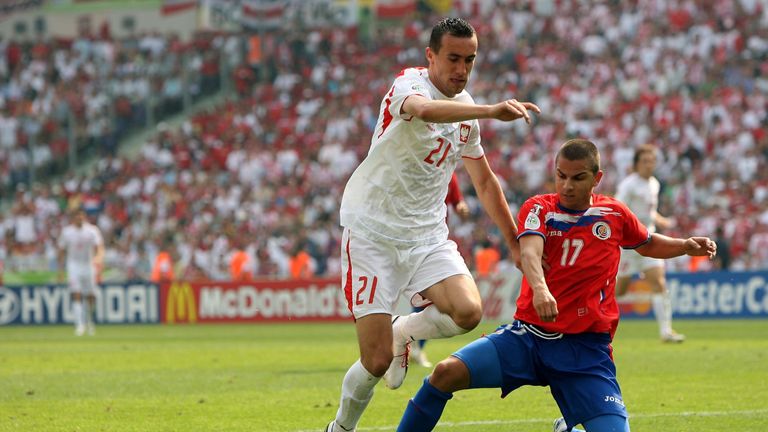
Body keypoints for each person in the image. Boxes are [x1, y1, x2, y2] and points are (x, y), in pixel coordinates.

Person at [395, 139, 717, 432]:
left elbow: (646, 242)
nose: (566, 185)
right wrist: (540, 288)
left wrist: (684, 245)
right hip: (528, 339)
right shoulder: (540, 208)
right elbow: (531, 252)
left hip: (586, 352)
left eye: (577, 178)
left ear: (596, 178)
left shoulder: (613, 214)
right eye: (561, 176)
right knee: (444, 374)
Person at [326, 17, 540, 432]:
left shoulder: (467, 115)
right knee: (375, 360)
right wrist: (491, 110)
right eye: (453, 58)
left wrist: (514, 243)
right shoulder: (408, 86)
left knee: (468, 311)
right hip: (373, 232)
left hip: (426, 235)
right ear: (431, 56)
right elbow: (425, 112)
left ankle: (404, 330)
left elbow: (484, 181)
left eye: (470, 60)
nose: (461, 69)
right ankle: (340, 428)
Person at [614, 144, 684, 343]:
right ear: (636, 164)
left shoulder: (654, 183)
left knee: (659, 283)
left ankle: (666, 331)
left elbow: (648, 211)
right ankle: (591, 316)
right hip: (628, 245)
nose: (649, 165)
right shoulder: (628, 185)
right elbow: (618, 208)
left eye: (652, 161)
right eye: (645, 161)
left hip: (649, 241)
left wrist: (661, 220)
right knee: (620, 290)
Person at [411, 173, 470, 369]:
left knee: (430, 299)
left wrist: (460, 206)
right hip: (411, 239)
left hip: (435, 243)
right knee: (429, 298)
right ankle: (405, 340)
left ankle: (411, 344)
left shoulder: (449, 174)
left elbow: (456, 200)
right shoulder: (418, 168)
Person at [57, 208, 105, 336]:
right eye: (77, 217)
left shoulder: (92, 230)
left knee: (90, 295)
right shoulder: (67, 232)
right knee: (76, 293)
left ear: (84, 217)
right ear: (73, 218)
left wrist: (99, 258)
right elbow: (61, 250)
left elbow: (99, 247)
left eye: (81, 216)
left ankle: (90, 320)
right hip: (73, 265)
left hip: (88, 265)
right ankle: (79, 324)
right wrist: (60, 270)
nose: (80, 219)